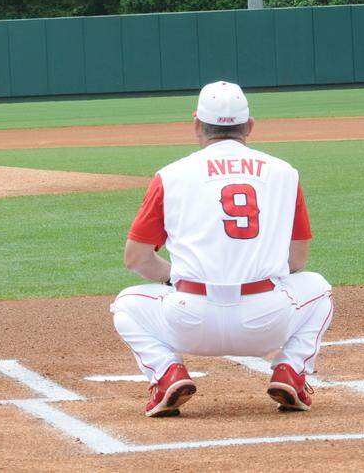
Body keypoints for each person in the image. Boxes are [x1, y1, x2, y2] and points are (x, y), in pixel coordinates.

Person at [109, 81, 333, 417]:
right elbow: (298, 259)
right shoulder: (285, 173)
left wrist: (177, 277)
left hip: (190, 321)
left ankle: (167, 372)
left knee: (126, 304)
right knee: (319, 288)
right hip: (266, 321)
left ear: (197, 125)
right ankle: (290, 370)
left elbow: (136, 258)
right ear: (250, 126)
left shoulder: (170, 175)